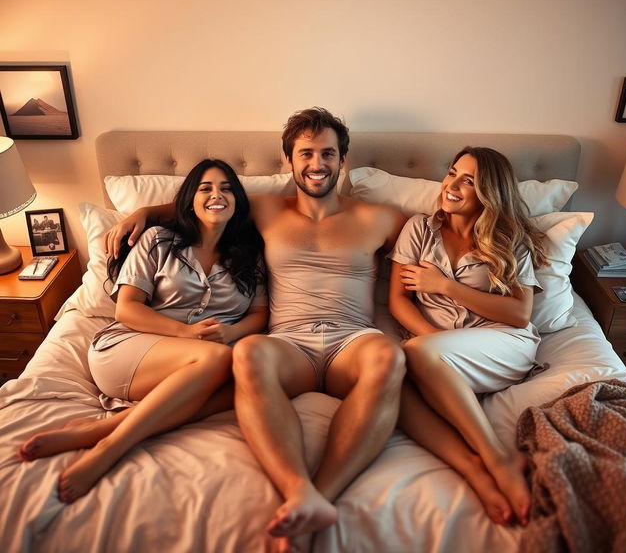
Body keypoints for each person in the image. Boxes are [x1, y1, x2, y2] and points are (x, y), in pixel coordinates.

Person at [103, 108, 407, 551]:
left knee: (390, 355)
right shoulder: (263, 209)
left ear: (343, 159)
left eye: (327, 153)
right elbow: (201, 204)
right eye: (305, 154)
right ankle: (296, 489)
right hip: (289, 345)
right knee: (246, 354)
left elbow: (434, 253)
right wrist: (144, 212)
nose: (316, 164)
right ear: (288, 161)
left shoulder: (382, 217)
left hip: (351, 341)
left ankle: (319, 495)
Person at [19, 159, 268, 504]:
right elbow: (127, 308)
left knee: (247, 377)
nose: (217, 195)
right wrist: (185, 332)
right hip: (131, 349)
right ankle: (111, 446)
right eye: (205, 188)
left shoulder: (249, 254)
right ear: (189, 200)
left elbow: (259, 314)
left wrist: (231, 332)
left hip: (205, 358)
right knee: (221, 361)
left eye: (226, 189)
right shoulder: (158, 239)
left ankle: (100, 428)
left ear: (238, 200)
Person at [388, 146, 548, 527]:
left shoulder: (509, 239)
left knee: (415, 356)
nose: (452, 184)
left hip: (501, 342)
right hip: (434, 349)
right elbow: (397, 301)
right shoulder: (419, 229)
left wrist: (446, 287)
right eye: (452, 172)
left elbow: (519, 313)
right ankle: (474, 470)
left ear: (490, 192)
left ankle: (498, 457)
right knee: (391, 377)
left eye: (469, 180)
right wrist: (432, 344)